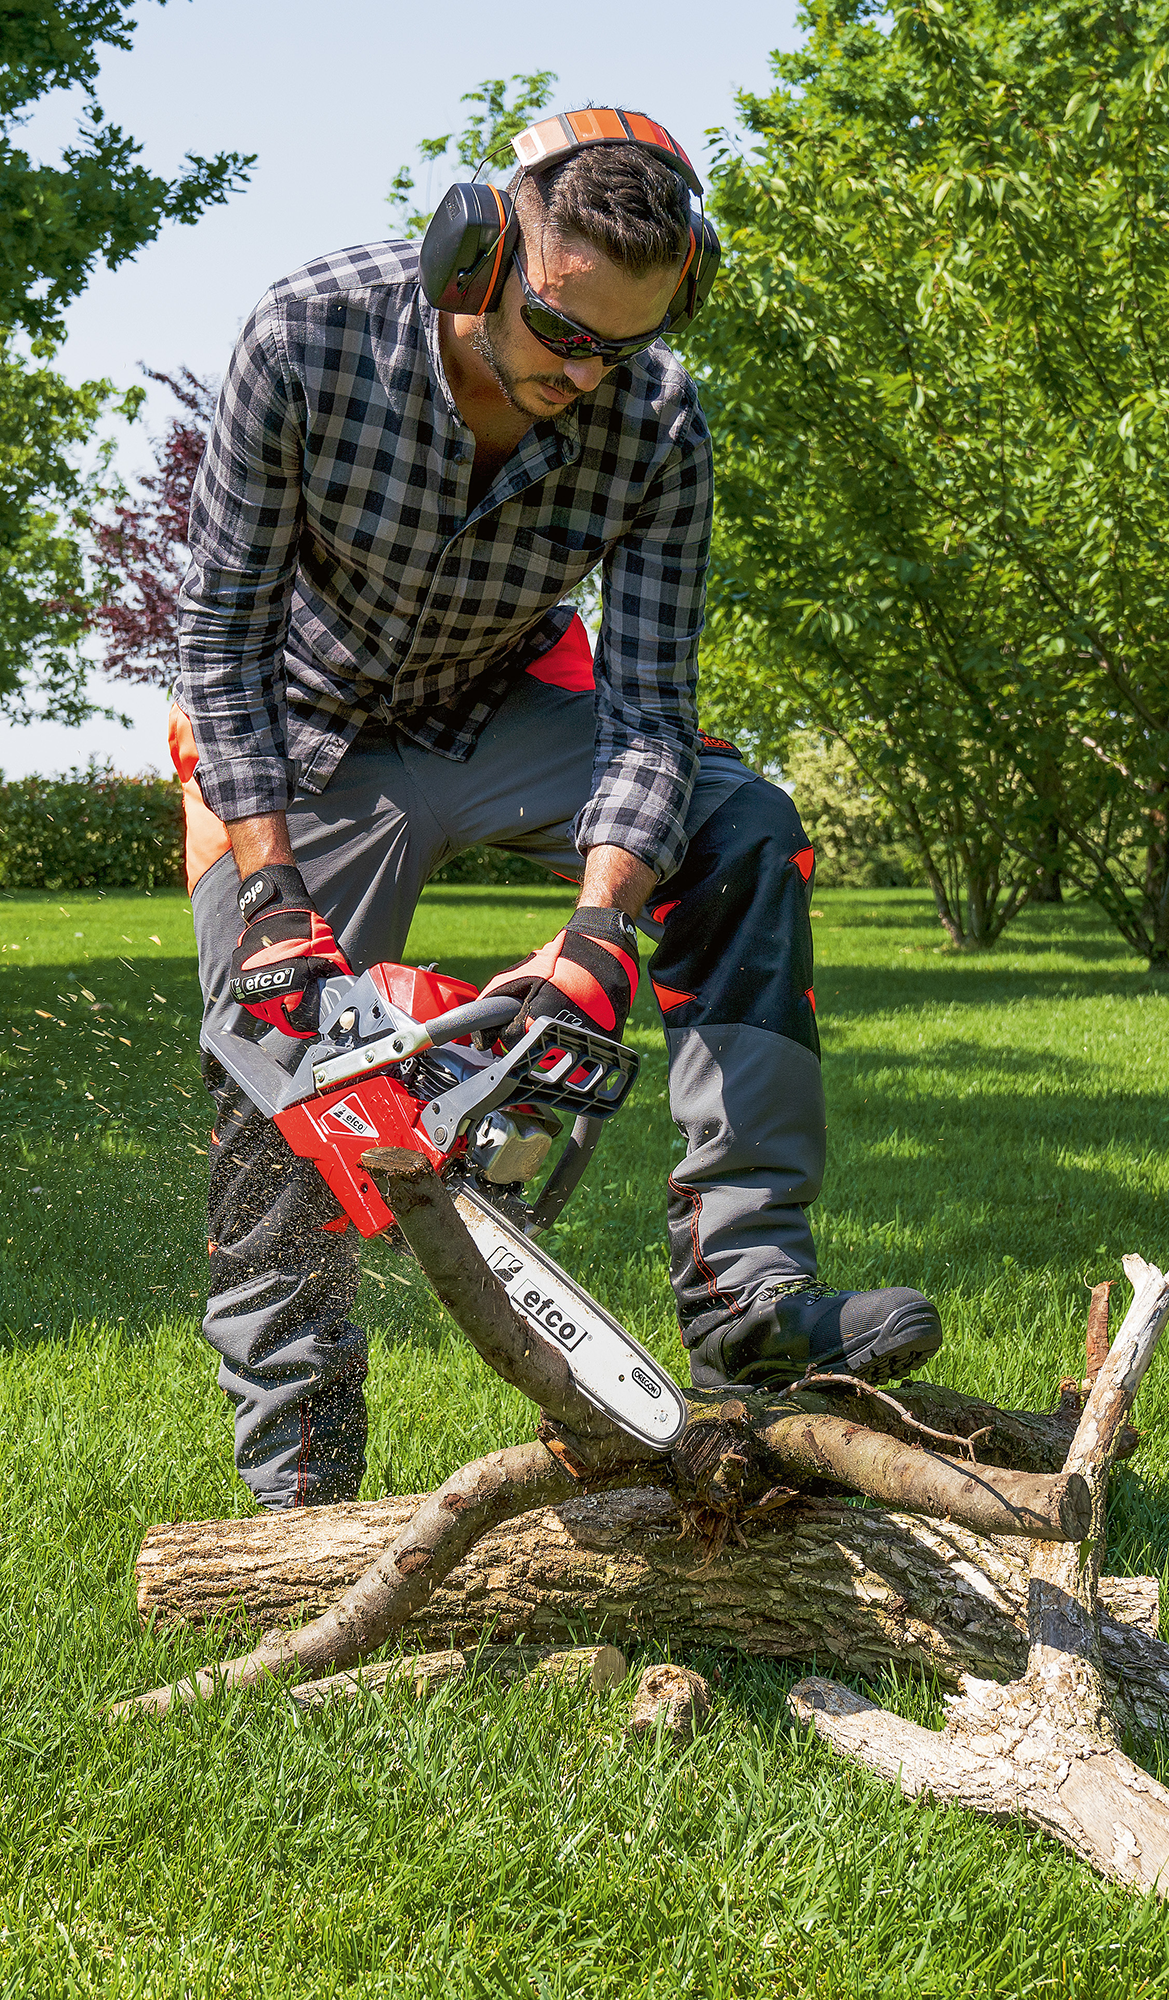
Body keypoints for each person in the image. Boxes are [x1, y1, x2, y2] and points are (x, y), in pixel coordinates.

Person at [170, 110, 942, 1510]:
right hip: (310, 733)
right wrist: (274, 897)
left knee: (746, 823)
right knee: (269, 1056)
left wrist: (597, 934)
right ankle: (301, 1482)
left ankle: (748, 1286)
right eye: (560, 329)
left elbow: (651, 709)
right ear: (478, 253)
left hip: (515, 708)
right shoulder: (307, 335)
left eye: (621, 344)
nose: (584, 374)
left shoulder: (655, 418)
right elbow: (216, 638)